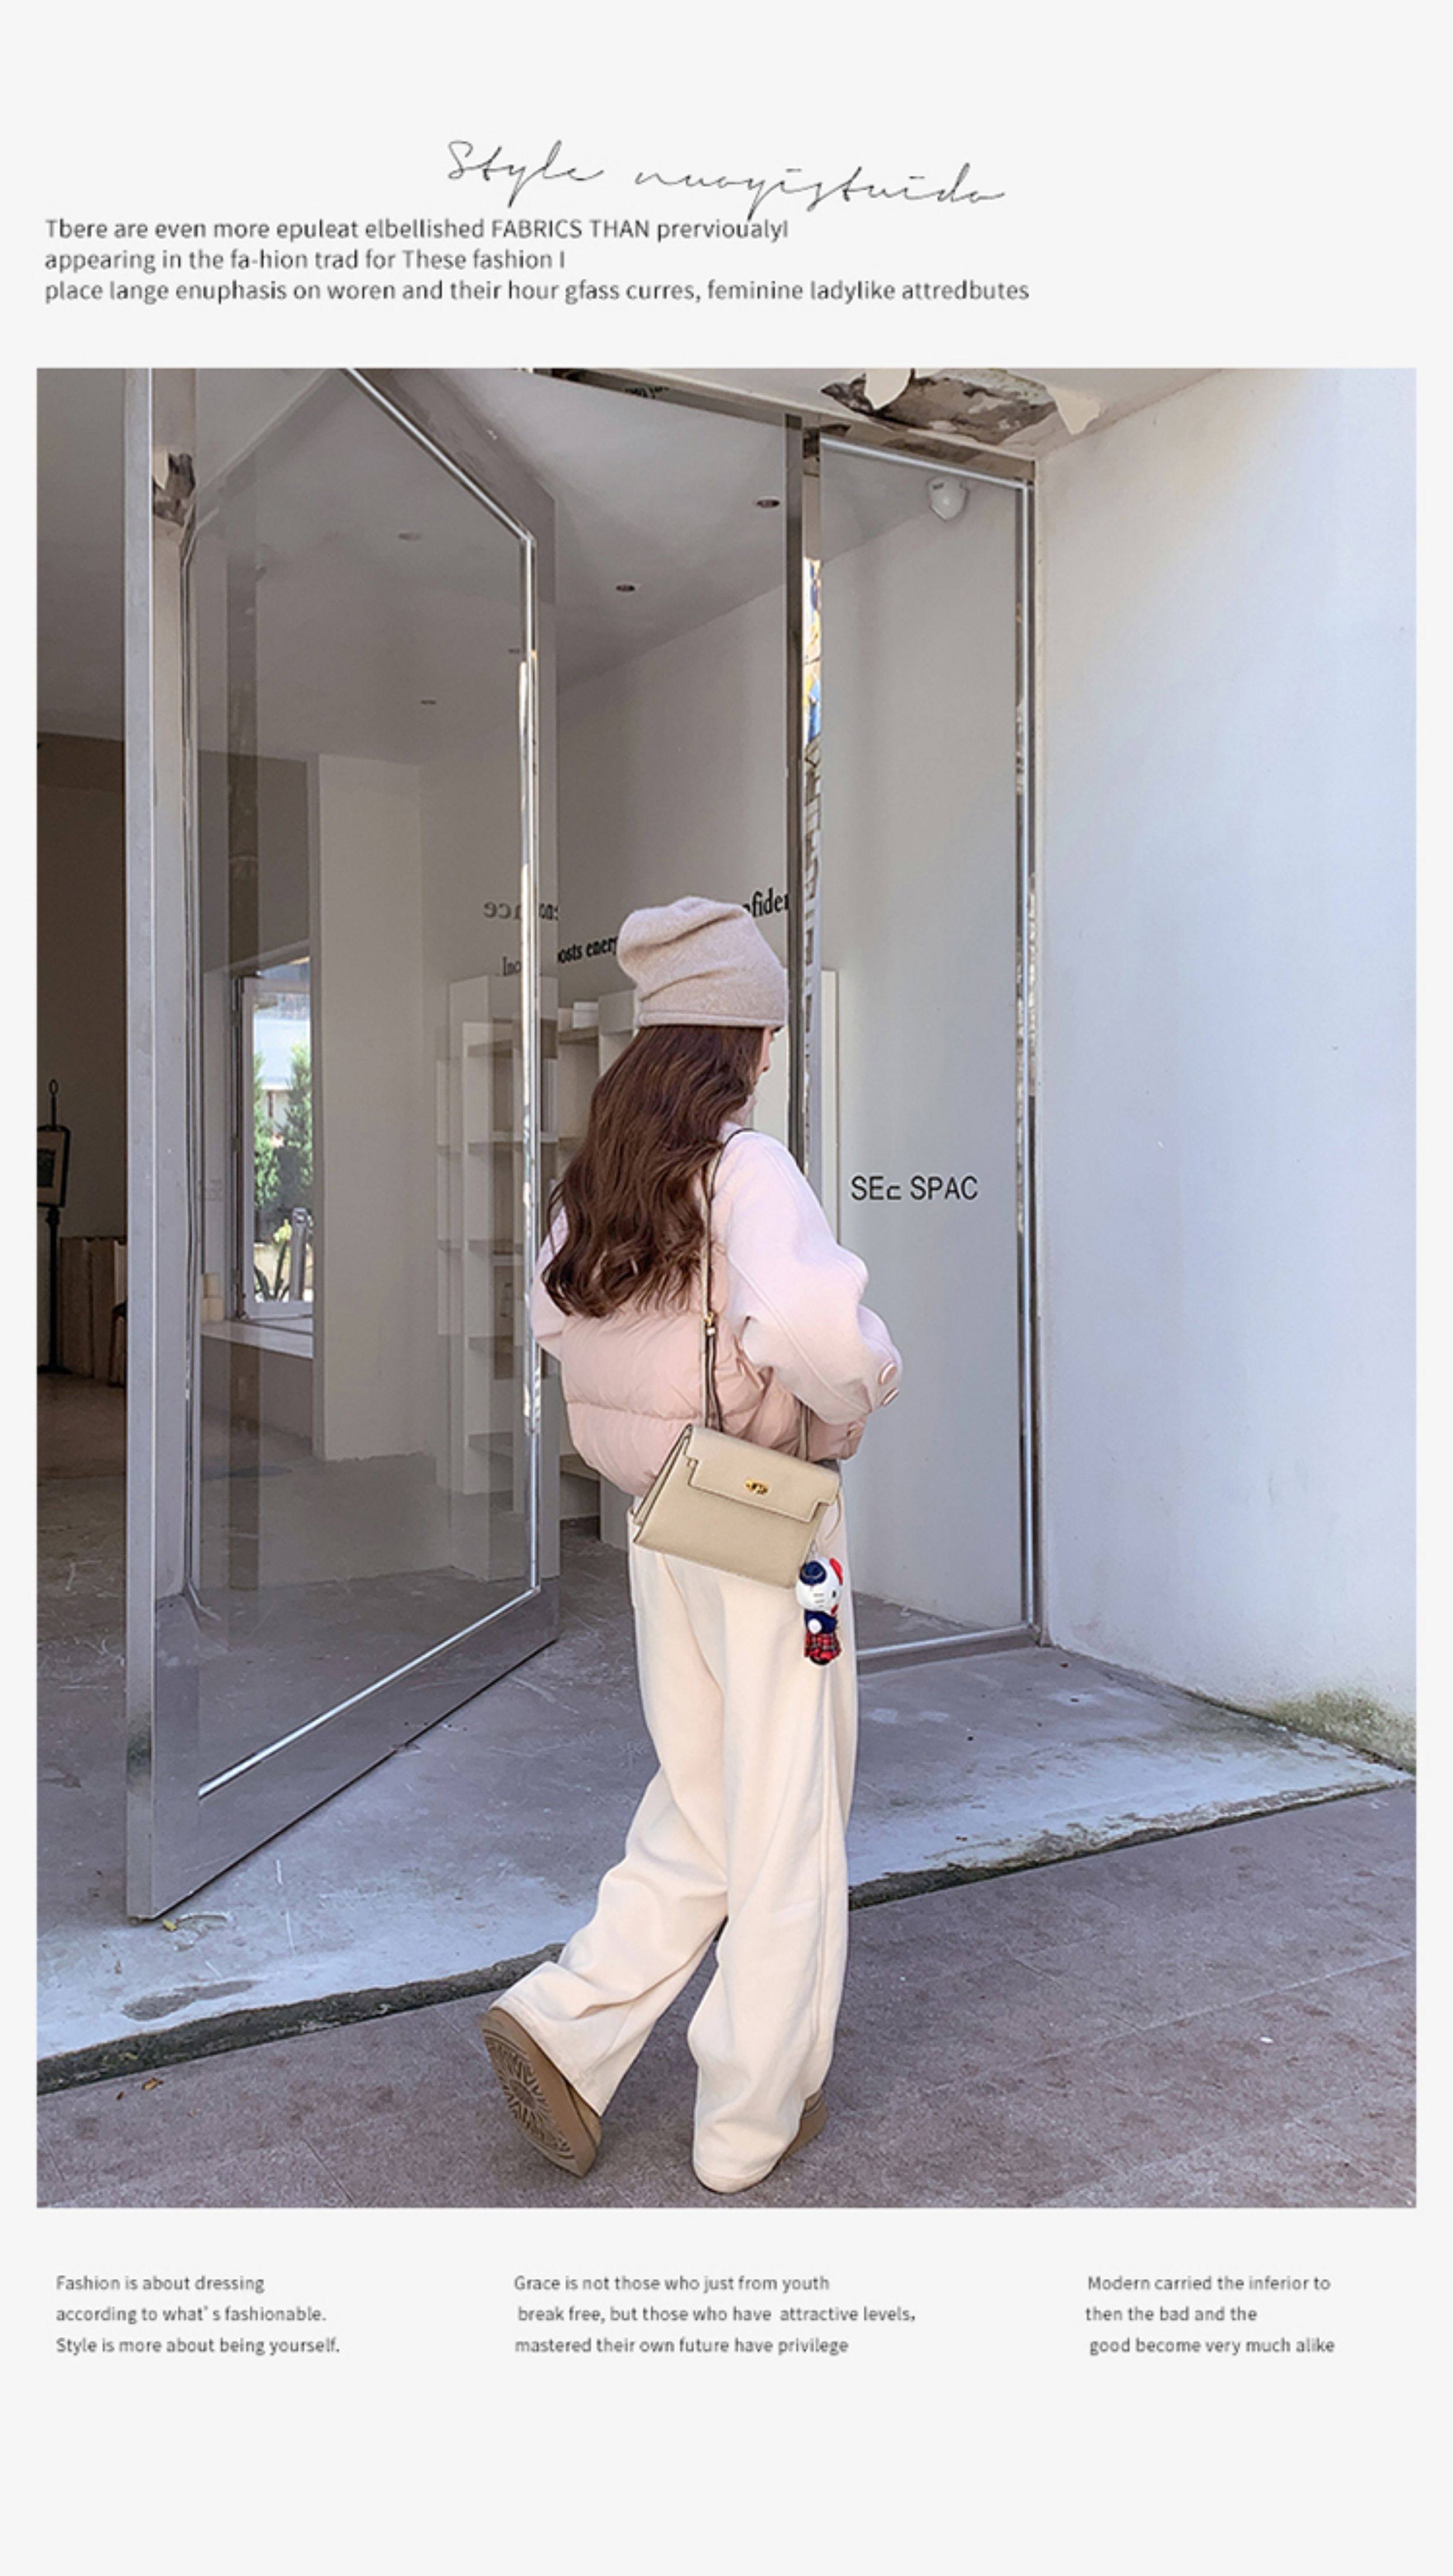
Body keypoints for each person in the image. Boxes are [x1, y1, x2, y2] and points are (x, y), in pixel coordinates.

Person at [482, 895, 902, 2194]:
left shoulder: (600, 1181)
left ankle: (568, 2025)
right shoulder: (746, 1168)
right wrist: (862, 1392)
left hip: (667, 1522)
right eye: (769, 1031)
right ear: (747, 1041)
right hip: (776, 1527)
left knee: (709, 1797)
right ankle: (748, 2120)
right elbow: (819, 1330)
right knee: (788, 1814)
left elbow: (555, 1320)